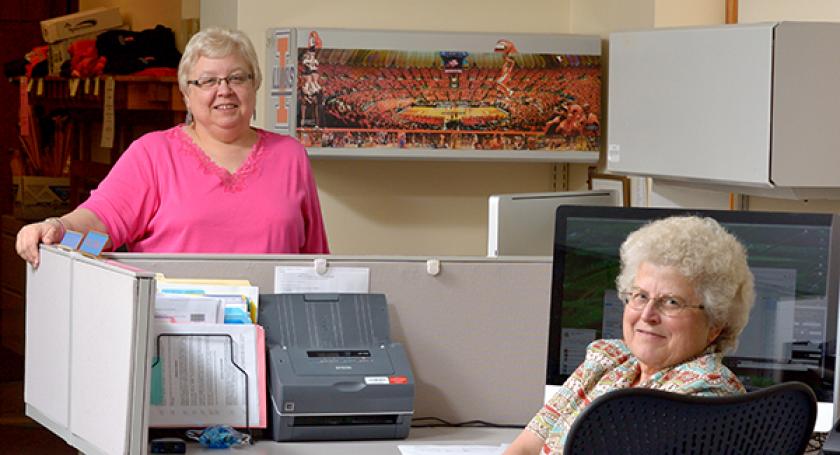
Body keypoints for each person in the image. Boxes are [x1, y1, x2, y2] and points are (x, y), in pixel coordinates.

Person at [16, 28, 329, 267]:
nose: (224, 90)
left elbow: (316, 260)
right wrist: (57, 228)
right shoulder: (153, 154)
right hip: (174, 332)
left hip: (273, 336)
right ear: (186, 94)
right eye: (207, 81)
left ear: (254, 84)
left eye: (237, 78)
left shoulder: (290, 155)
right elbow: (101, 225)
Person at [504, 216, 755, 455]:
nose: (647, 315)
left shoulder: (707, 395)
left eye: (671, 302)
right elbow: (525, 448)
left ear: (715, 324)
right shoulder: (607, 361)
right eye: (640, 296)